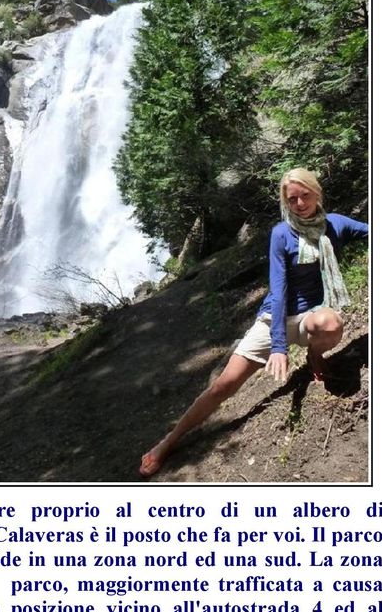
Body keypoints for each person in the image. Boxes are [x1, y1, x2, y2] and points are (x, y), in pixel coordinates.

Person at [139, 168, 368, 478]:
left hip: (311, 317)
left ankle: (315, 354)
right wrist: (277, 346)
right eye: (292, 199)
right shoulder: (281, 234)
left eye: (305, 195)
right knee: (223, 384)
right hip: (275, 317)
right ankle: (168, 442)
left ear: (317, 194)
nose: (299, 203)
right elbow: (279, 289)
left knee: (329, 324)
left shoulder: (336, 225)